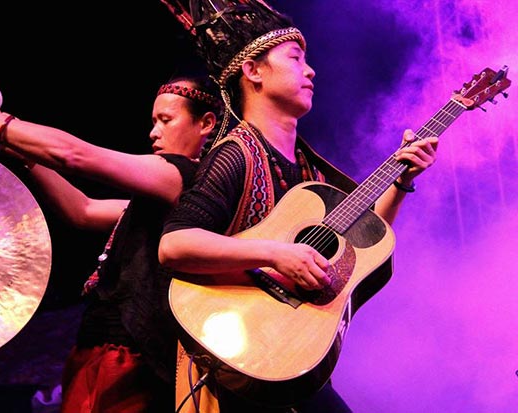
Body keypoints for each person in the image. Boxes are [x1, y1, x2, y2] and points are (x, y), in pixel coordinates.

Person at [157, 1, 439, 413]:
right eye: (295, 59)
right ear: (253, 71)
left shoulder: (308, 169)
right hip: (238, 356)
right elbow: (174, 244)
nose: (311, 71)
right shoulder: (235, 155)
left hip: (286, 351)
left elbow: (365, 244)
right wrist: (277, 254)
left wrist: (400, 180)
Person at [0, 75, 224, 413]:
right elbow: (83, 210)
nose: (154, 132)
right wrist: (25, 155)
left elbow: (74, 154)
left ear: (206, 124)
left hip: (131, 363)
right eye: (154, 121)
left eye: (166, 120)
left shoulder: (183, 177)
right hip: (101, 350)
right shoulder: (162, 198)